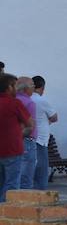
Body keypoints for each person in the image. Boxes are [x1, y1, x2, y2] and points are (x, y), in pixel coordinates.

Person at [1, 74, 32, 202]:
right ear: (9, 87)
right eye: (15, 85)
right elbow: (30, 124)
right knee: (12, 185)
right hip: (12, 149)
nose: (16, 89)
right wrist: (19, 134)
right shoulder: (14, 103)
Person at [31, 76, 58, 190]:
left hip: (28, 136)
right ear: (42, 87)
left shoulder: (27, 99)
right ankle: (41, 190)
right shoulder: (42, 100)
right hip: (41, 138)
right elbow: (54, 117)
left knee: (30, 165)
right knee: (41, 166)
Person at [15, 78, 38, 190]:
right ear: (25, 88)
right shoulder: (29, 102)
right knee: (27, 173)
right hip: (27, 139)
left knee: (16, 172)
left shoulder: (14, 100)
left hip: (14, 140)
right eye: (32, 85)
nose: (34, 88)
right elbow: (30, 124)